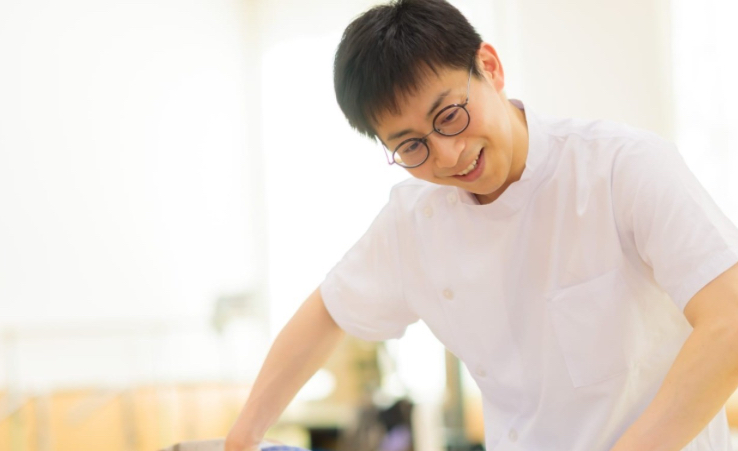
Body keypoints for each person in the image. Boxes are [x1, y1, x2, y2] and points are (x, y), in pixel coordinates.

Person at [226, 1, 738, 450]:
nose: (448, 155)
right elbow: (329, 310)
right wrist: (243, 437)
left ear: (489, 67)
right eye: (412, 146)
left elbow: (729, 322)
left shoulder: (621, 167)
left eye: (450, 115)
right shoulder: (414, 222)